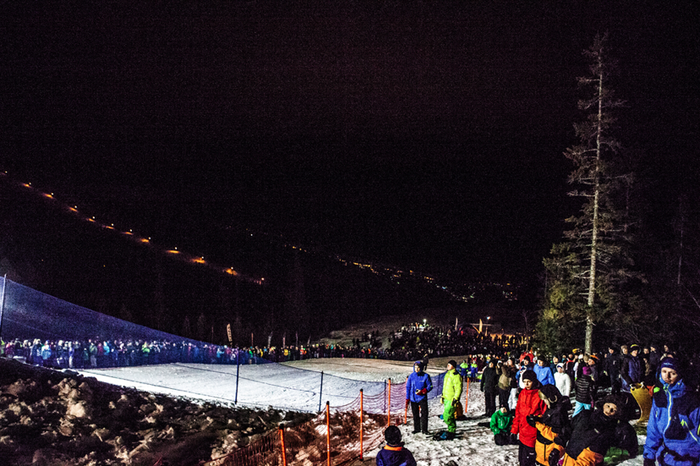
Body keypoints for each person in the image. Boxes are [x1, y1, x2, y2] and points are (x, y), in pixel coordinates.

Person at [643, 357, 700, 466]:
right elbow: (653, 429)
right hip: (667, 456)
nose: (667, 376)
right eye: (664, 371)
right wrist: (649, 456)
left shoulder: (691, 399)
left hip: (690, 456)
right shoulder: (659, 397)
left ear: (680, 374)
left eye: (672, 373)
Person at [561, 394, 637, 466]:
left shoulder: (616, 428)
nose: (609, 410)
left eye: (614, 410)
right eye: (608, 406)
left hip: (587, 461)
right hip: (570, 456)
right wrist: (558, 447)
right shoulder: (586, 415)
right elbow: (568, 430)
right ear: (603, 404)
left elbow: (628, 448)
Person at [528, 384, 572, 466]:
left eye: (545, 399)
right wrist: (538, 419)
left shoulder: (558, 413)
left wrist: (537, 424)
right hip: (543, 450)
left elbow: (554, 435)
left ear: (552, 398)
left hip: (548, 451)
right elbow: (548, 421)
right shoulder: (552, 408)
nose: (544, 402)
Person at [512, 370, 547, 466]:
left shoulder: (540, 394)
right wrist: (514, 430)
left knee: (530, 462)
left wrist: (537, 419)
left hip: (533, 435)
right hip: (522, 433)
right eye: (524, 382)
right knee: (522, 460)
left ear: (534, 381)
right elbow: (518, 413)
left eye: (529, 382)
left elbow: (544, 414)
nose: (526, 384)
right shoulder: (522, 393)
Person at [406, 360, 432, 435]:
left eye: (418, 368)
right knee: (415, 414)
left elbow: (430, 386)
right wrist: (407, 398)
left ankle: (424, 429)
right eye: (415, 367)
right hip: (413, 398)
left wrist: (423, 391)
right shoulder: (411, 376)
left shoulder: (426, 376)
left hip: (422, 398)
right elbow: (408, 387)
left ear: (421, 368)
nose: (416, 369)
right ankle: (417, 428)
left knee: (424, 414)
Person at [439, 359, 463, 440]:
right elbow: (445, 386)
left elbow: (458, 388)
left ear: (453, 366)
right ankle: (451, 430)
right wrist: (443, 396)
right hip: (446, 398)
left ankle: (452, 428)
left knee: (447, 416)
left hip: (452, 399)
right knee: (450, 415)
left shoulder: (456, 376)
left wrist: (456, 398)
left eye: (449, 365)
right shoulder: (447, 374)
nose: (447, 366)